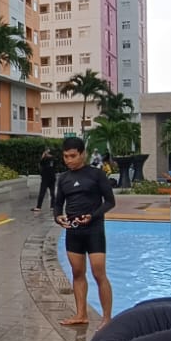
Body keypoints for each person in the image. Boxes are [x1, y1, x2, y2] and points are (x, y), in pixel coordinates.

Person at [54, 137, 117, 326]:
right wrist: (58, 217)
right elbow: (57, 205)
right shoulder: (63, 178)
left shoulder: (96, 175)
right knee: (77, 273)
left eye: (73, 156)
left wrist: (93, 215)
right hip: (74, 232)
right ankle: (81, 314)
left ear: (83, 154)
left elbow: (110, 201)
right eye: (65, 156)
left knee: (99, 274)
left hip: (94, 230)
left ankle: (107, 319)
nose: (69, 160)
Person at [35, 145, 58, 212]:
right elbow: (41, 163)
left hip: (47, 178)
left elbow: (41, 163)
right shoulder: (51, 159)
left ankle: (40, 207)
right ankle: (50, 207)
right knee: (48, 193)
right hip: (49, 178)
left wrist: (44, 155)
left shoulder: (48, 159)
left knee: (49, 193)